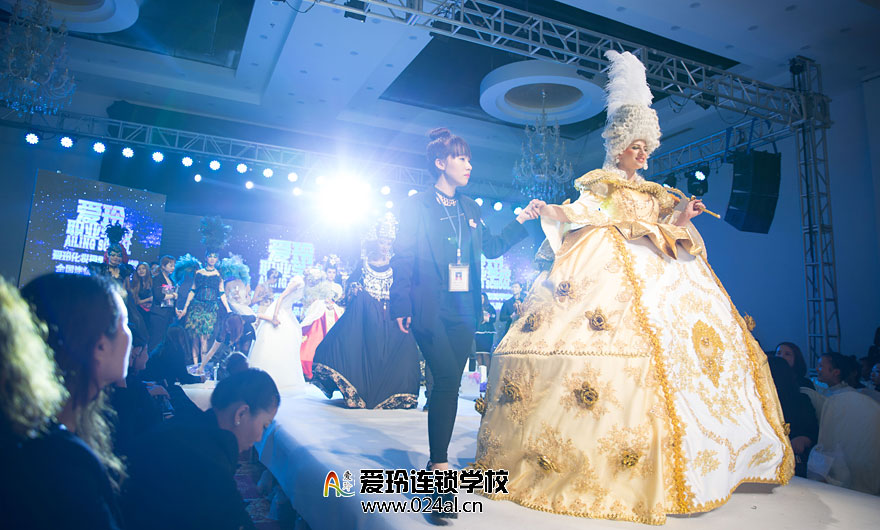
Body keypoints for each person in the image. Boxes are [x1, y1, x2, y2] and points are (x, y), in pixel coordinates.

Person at [474, 51, 792, 524]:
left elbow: (668, 229)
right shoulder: (602, 185)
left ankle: (689, 457)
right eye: (637, 146)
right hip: (608, 272)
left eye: (647, 147)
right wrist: (547, 210)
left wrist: (682, 214)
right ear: (619, 145)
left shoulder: (655, 192)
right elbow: (580, 212)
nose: (643, 154)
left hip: (659, 273)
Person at [390, 127, 540, 517]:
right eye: (461, 158)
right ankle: (440, 470)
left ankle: (434, 464)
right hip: (428, 306)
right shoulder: (417, 205)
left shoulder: (470, 208)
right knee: (444, 380)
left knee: (448, 384)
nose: (469, 165)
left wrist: (522, 218)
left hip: (464, 311)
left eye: (469, 158)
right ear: (441, 163)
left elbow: (491, 248)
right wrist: (400, 302)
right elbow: (403, 255)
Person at [13, 273, 131, 529]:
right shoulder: (64, 464)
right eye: (126, 324)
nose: (130, 336)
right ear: (100, 347)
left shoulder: (26, 435)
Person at [123, 368, 279, 530]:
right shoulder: (210, 466)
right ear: (241, 414)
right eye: (264, 426)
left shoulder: (188, 424)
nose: (259, 438)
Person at [312, 214, 421, 409]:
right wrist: (355, 290)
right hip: (366, 318)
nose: (385, 246)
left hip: (391, 317)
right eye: (382, 242)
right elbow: (349, 289)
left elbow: (405, 288)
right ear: (375, 241)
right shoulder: (364, 264)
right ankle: (360, 392)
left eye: (389, 242)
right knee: (358, 350)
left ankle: (388, 395)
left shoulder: (398, 265)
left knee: (397, 355)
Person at [248, 275, 306, 389]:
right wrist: (275, 315)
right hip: (280, 311)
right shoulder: (298, 282)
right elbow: (281, 297)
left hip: (287, 311)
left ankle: (281, 377)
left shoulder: (303, 284)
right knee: (274, 339)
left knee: (286, 342)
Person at [767, 357, 818, 478]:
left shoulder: (800, 401)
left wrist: (803, 439)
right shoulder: (754, 401)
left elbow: (813, 431)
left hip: (790, 461)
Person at [148, 255, 178, 352]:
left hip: (168, 314)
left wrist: (176, 310)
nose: (173, 268)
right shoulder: (157, 279)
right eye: (170, 266)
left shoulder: (172, 281)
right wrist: (173, 295)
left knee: (164, 341)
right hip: (158, 314)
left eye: (174, 266)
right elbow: (158, 296)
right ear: (163, 266)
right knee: (156, 340)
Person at [475, 292, 497, 367]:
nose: (481, 299)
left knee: (486, 354)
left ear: (485, 299)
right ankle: (480, 373)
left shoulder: (490, 308)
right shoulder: (475, 308)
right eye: (480, 298)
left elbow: (493, 319)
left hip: (487, 334)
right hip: (477, 333)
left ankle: (487, 373)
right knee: (478, 354)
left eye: (482, 298)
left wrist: (485, 318)